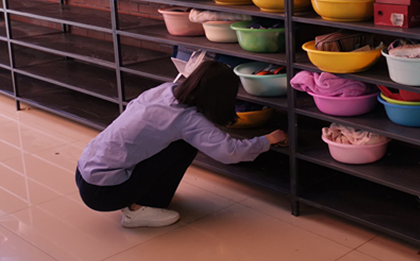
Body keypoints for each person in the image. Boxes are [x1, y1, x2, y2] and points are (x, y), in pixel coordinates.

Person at [75, 61, 287, 228]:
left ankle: (138, 196)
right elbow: (230, 152)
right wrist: (268, 139)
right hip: (103, 193)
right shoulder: (187, 120)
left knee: (171, 143)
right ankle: (139, 210)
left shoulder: (165, 90)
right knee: (183, 147)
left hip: (85, 173)